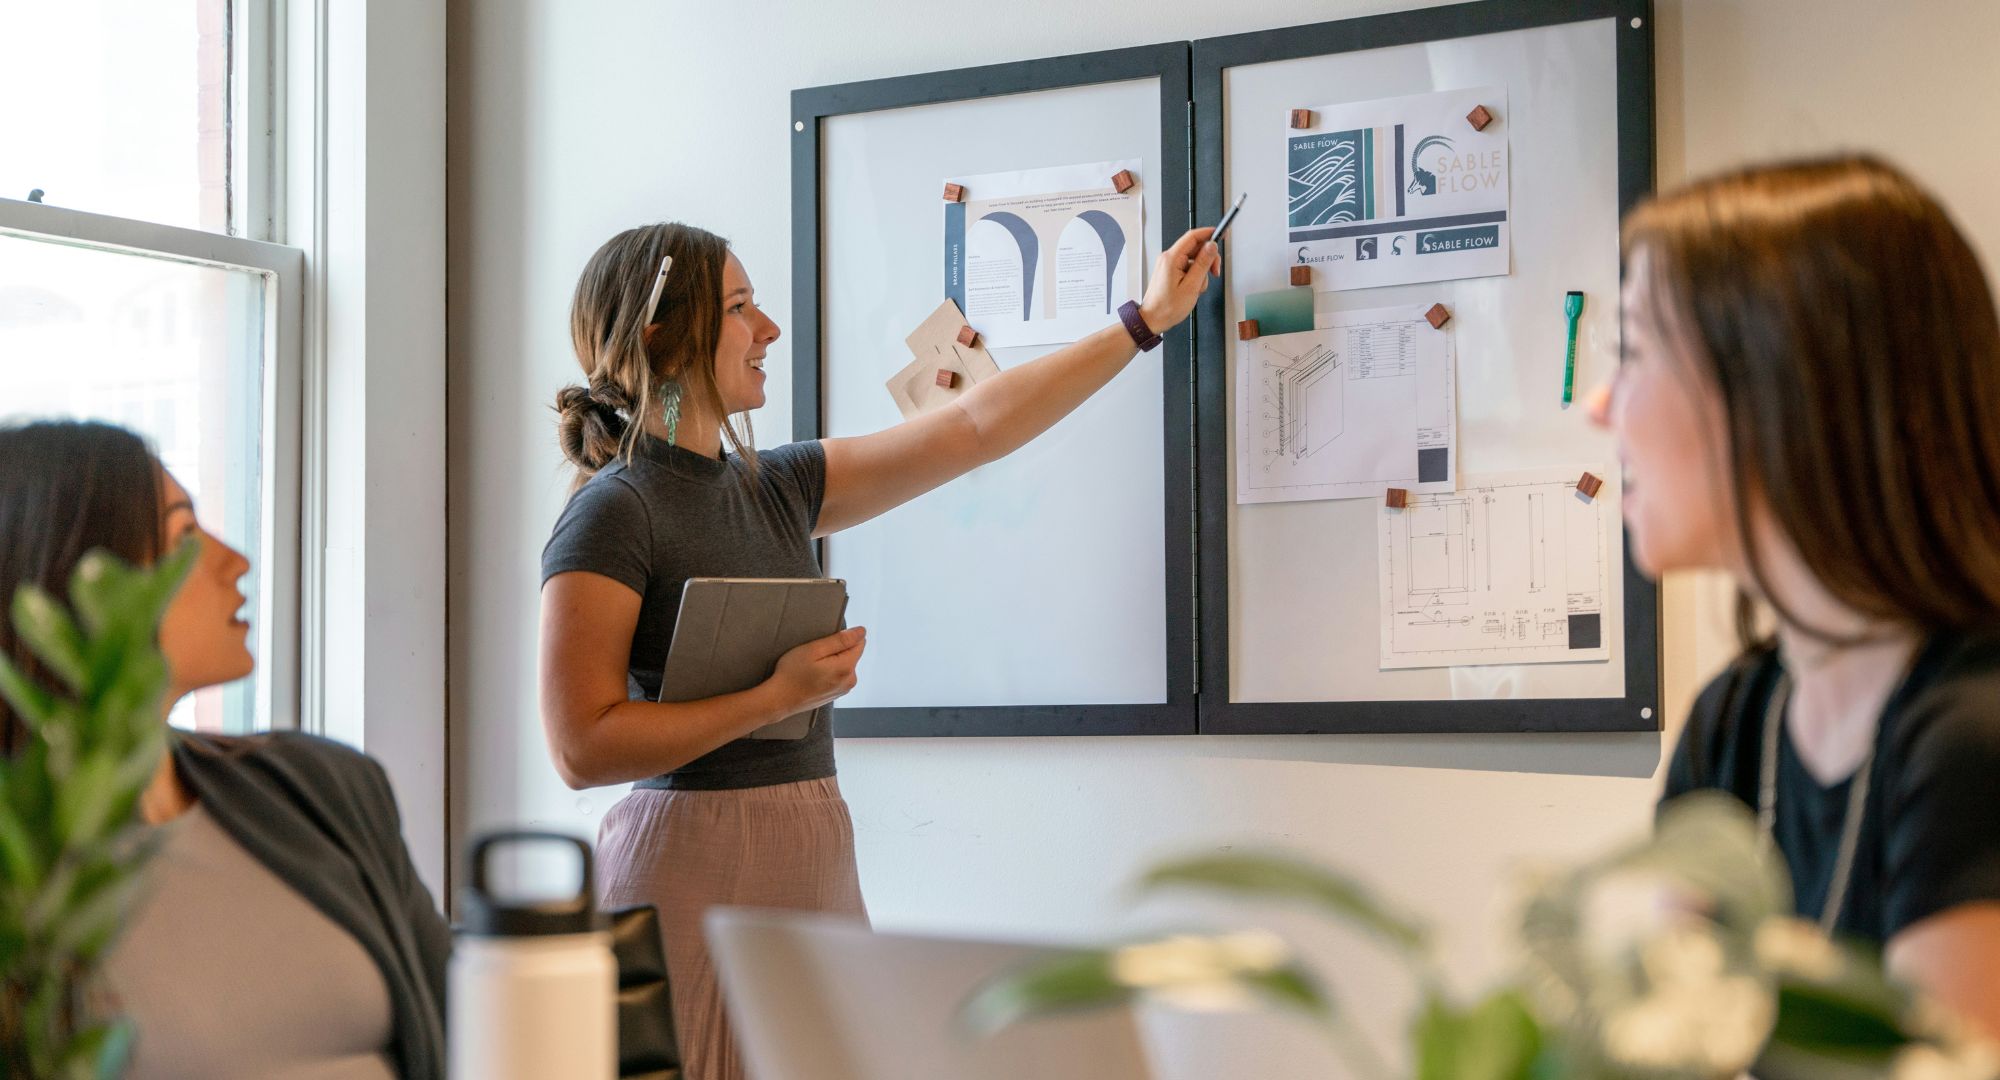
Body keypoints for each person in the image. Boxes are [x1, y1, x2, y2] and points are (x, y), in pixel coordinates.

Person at [539, 221, 1217, 1078]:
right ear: (660, 338)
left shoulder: (778, 487)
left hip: (811, 855)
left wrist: (1145, 321)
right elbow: (579, 745)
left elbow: (976, 425)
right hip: (685, 870)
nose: (769, 330)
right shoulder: (614, 509)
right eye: (741, 308)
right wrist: (771, 701)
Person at [1591, 156, 2000, 1037]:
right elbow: (1670, 1044)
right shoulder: (1734, 723)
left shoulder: (1974, 741)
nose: (1600, 405)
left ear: (1778, 383)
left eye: (1631, 352)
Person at [0, 420, 451, 1079]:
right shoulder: (26, 882)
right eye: (184, 537)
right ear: (69, 579)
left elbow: (472, 1029)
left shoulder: (325, 789)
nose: (232, 561)